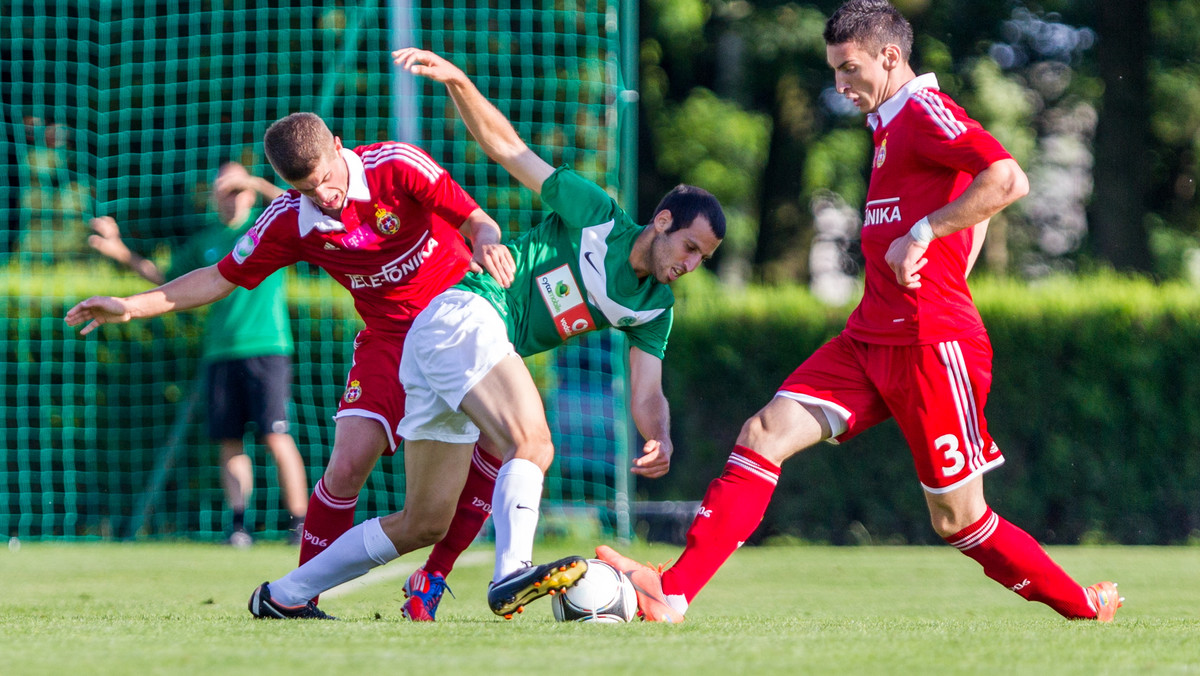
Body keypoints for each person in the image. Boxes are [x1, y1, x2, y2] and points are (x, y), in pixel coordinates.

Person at [597, 0, 1123, 624]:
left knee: (958, 519)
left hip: (932, 344)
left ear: (890, 57)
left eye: (849, 70)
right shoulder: (885, 123)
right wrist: (941, 240)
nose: (840, 86)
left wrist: (928, 234)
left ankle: (1081, 606)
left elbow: (1007, 181)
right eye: (834, 72)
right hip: (869, 339)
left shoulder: (925, 111)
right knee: (762, 435)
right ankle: (674, 592)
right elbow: (971, 206)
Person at [243, 47, 725, 621]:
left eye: (705, 258)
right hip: (465, 313)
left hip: (447, 344)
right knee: (533, 442)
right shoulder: (598, 216)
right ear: (663, 221)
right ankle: (511, 573)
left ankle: (283, 596)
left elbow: (648, 394)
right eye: (691, 247)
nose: (691, 263)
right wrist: (458, 82)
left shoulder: (654, 308)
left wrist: (660, 436)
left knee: (424, 520)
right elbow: (508, 147)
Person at [67, 112, 515, 619]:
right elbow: (216, 278)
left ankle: (439, 575)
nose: (323, 195)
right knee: (345, 467)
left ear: (339, 147)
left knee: (501, 441)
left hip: (456, 317)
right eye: (306, 188)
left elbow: (475, 217)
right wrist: (131, 305)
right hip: (388, 343)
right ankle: (298, 599)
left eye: (326, 178)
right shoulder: (287, 219)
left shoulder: (396, 165)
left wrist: (485, 240)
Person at [87, 162, 307, 546]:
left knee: (276, 436)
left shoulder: (268, 227)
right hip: (220, 352)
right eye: (225, 191)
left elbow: (305, 204)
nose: (232, 198)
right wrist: (120, 252)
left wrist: (253, 179)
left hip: (267, 348)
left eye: (238, 191)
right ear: (214, 198)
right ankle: (238, 527)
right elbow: (168, 283)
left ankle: (301, 523)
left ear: (251, 194)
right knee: (229, 440)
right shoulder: (205, 241)